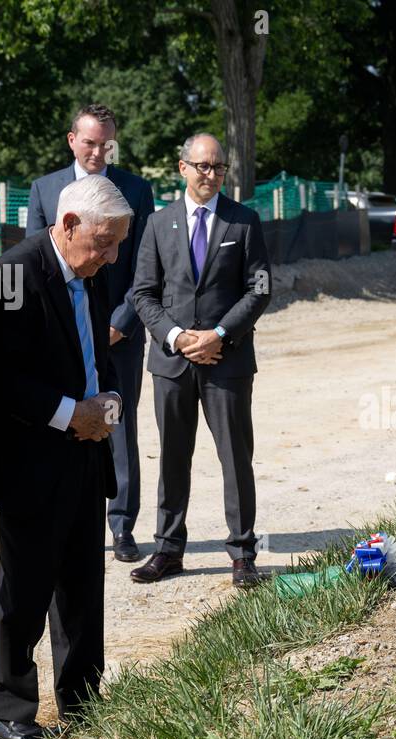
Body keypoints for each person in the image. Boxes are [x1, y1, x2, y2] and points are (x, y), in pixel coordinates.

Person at [0, 174, 131, 739]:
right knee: (26, 588)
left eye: (117, 243)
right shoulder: (10, 276)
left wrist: (109, 404)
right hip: (32, 460)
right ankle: (7, 708)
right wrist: (71, 414)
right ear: (67, 226)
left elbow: (98, 357)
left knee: (83, 586)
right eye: (104, 243)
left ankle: (83, 702)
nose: (111, 256)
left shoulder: (91, 269)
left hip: (87, 454)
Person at [130, 133, 272, 589]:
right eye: (202, 166)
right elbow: (143, 293)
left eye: (218, 167)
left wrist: (220, 335)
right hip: (172, 363)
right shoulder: (157, 223)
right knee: (173, 457)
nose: (210, 174)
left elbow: (260, 288)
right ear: (182, 168)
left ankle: (243, 554)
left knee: (235, 457)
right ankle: (168, 550)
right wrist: (174, 336)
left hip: (226, 362)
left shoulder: (244, 222)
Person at [27, 104, 155, 564]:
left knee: (118, 422)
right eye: (91, 142)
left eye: (107, 143)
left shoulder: (138, 190)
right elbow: (34, 264)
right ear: (72, 141)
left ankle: (121, 524)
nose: (99, 150)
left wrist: (118, 324)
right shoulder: (44, 189)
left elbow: (143, 264)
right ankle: (69, 512)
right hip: (61, 334)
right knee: (65, 417)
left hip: (119, 331)